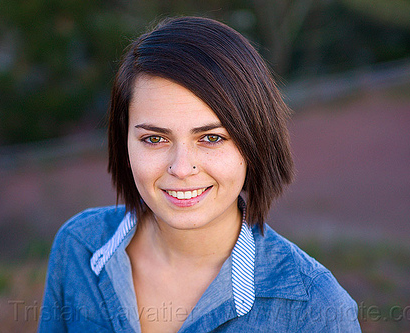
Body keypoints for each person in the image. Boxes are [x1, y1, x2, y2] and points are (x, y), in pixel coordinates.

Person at [39, 16, 361, 332]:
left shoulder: (316, 309)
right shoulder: (80, 247)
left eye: (211, 138)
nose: (181, 168)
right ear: (124, 143)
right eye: (154, 139)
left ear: (255, 142)